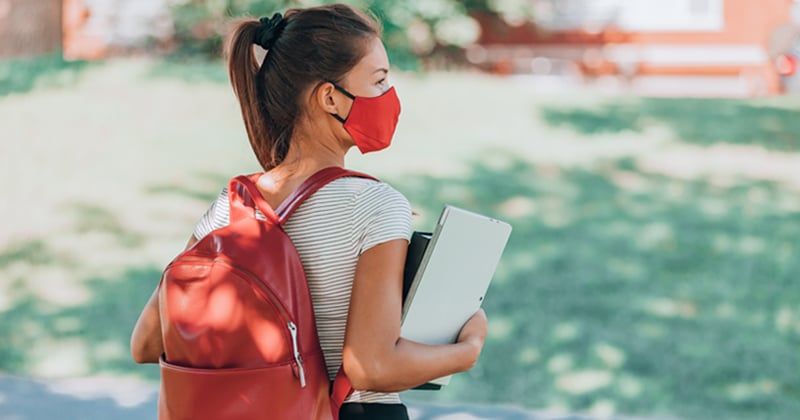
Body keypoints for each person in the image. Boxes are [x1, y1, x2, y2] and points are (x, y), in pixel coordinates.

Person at [130, 4, 488, 419]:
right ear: (330, 97)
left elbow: (145, 343)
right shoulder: (375, 206)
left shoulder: (228, 210)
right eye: (379, 80)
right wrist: (466, 350)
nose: (389, 97)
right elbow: (371, 367)